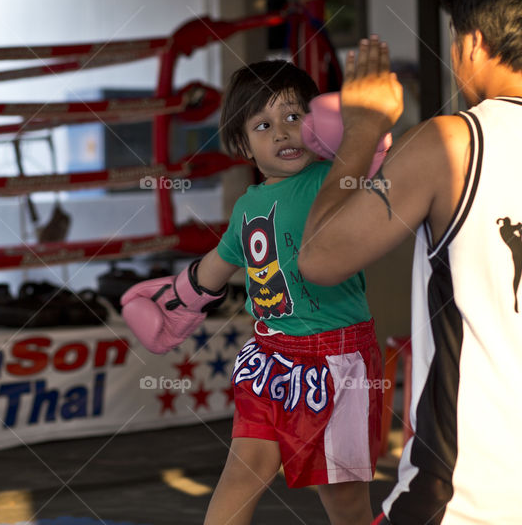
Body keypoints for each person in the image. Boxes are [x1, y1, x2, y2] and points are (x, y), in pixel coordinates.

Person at [297, 0, 522, 524]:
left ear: (473, 44)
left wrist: (362, 131)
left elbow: (319, 258)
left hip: (472, 507)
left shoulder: (452, 145)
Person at [121, 60, 383, 525]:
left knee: (345, 504)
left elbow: (378, 162)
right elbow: (216, 268)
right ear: (243, 144)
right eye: (264, 125)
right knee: (241, 474)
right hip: (270, 357)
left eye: (294, 117)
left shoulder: (333, 178)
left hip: (334, 359)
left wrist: (363, 129)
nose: (282, 133)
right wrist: (174, 305)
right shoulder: (248, 205)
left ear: (319, 121)